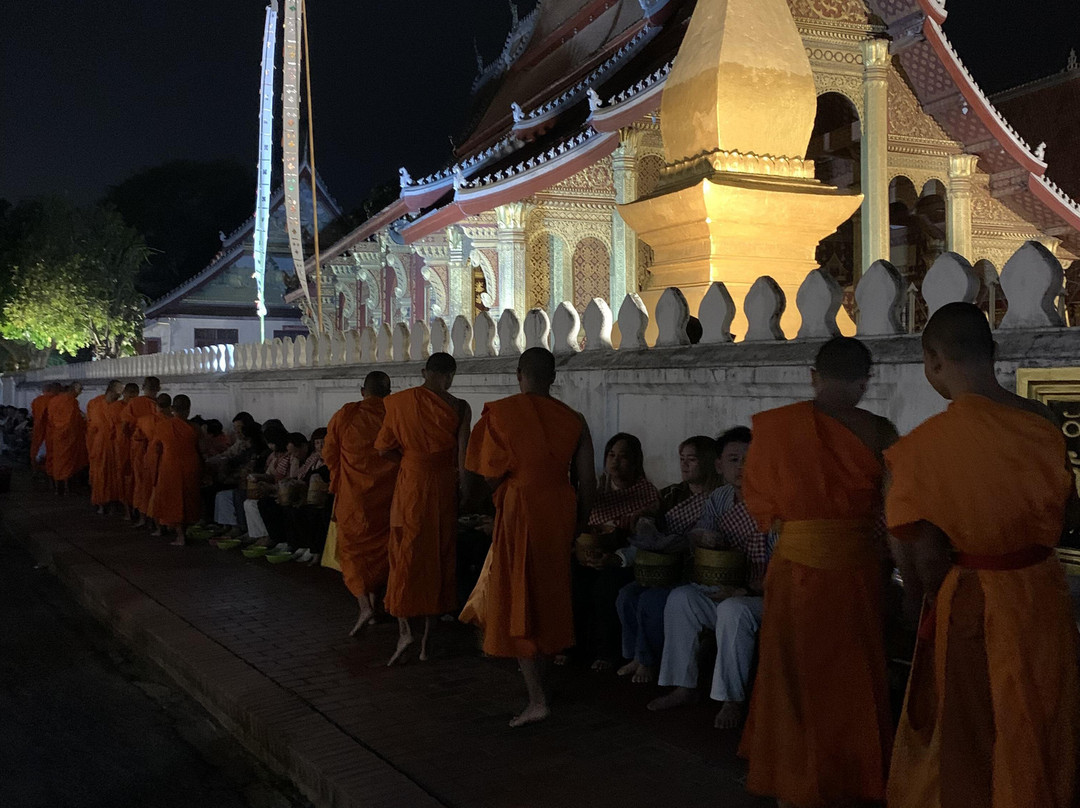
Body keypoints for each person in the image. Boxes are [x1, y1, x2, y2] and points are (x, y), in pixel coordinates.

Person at [886, 302, 1080, 808]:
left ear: (933, 361)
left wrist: (925, 600)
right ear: (993, 352)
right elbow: (1069, 515)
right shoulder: (1044, 424)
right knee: (1041, 712)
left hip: (974, 600)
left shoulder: (924, 446)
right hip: (1042, 592)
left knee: (976, 726)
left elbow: (925, 552)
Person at [738, 336, 897, 808]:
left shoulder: (776, 429)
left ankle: (793, 781)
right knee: (850, 679)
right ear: (865, 382)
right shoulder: (880, 432)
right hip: (856, 573)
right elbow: (897, 511)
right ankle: (851, 776)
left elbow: (760, 505)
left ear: (813, 376)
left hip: (794, 570)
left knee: (793, 677)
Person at [461, 348, 596, 726]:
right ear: (553, 377)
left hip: (520, 511)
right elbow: (587, 481)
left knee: (520, 598)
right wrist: (579, 525)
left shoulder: (501, 414)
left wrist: (505, 492)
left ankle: (537, 699)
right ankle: (543, 687)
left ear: (519, 374)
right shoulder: (574, 419)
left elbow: (487, 476)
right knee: (550, 596)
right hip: (559, 511)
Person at [647, 427, 776, 730]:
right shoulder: (719, 498)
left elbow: (784, 563)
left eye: (750, 459)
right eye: (733, 459)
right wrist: (704, 538)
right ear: (719, 465)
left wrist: (744, 590)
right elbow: (699, 535)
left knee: (733, 610)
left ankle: (731, 699)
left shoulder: (773, 502)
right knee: (681, 598)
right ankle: (684, 686)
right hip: (724, 586)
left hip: (766, 595)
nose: (742, 466)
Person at [375, 352, 471, 665]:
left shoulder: (399, 403)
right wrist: (465, 491)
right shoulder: (460, 407)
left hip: (411, 486)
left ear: (423, 372)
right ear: (451, 375)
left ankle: (405, 631)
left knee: (404, 553)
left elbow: (383, 448)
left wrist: (410, 461)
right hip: (442, 487)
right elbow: (463, 459)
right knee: (438, 557)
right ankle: (427, 643)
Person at [615, 435, 720, 685]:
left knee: (650, 601)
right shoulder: (674, 493)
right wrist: (643, 519)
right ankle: (637, 655)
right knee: (626, 596)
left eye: (691, 460)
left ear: (708, 462)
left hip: (689, 572)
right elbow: (652, 515)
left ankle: (649, 660)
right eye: (681, 459)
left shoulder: (718, 497)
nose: (684, 465)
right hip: (661, 568)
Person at [567, 432, 659, 671]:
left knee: (605, 588)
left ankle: (608, 652)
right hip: (590, 554)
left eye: (623, 457)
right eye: (611, 455)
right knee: (572, 579)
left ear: (636, 462)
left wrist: (612, 556)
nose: (615, 462)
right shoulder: (597, 490)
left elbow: (645, 538)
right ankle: (572, 646)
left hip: (624, 559)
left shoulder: (647, 494)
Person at [323, 371, 400, 635]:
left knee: (353, 552)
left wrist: (339, 479)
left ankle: (365, 606)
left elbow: (329, 453)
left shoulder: (346, 415)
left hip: (353, 497)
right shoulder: (394, 414)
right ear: (388, 392)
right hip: (388, 495)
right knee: (383, 550)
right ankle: (376, 606)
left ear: (362, 391)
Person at [147, 394, 203, 546]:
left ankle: (180, 535)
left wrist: (153, 469)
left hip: (170, 466)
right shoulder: (195, 428)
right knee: (188, 499)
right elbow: (201, 449)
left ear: (172, 409)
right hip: (191, 465)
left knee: (173, 499)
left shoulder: (162, 426)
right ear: (188, 409)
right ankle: (185, 532)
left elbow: (155, 450)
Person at [124, 377, 162, 525]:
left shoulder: (135, 403)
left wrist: (133, 439)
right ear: (159, 388)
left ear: (143, 387)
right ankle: (155, 519)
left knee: (140, 483)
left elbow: (125, 426)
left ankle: (142, 517)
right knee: (153, 482)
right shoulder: (161, 405)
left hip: (139, 448)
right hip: (155, 450)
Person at [44, 383, 89, 494]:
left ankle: (56, 487)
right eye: (79, 390)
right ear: (74, 389)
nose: (79, 393)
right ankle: (65, 487)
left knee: (57, 460)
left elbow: (51, 418)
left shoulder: (54, 400)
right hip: (69, 436)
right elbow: (74, 420)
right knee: (67, 461)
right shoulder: (72, 402)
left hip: (56, 434)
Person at [87, 380, 123, 513]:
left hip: (115, 445)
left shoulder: (119, 407)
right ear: (110, 391)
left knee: (114, 474)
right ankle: (101, 502)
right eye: (118, 391)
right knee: (100, 474)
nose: (120, 395)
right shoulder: (95, 405)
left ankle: (113, 500)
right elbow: (91, 427)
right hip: (100, 445)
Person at [114, 383, 141, 517]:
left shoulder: (138, 406)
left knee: (136, 477)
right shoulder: (116, 407)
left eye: (134, 394)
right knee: (124, 476)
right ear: (124, 393)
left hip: (136, 446)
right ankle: (127, 508)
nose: (131, 397)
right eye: (129, 393)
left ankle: (135, 507)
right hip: (123, 445)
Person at [29, 382, 60, 472]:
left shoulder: (36, 400)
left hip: (38, 428)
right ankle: (50, 470)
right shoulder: (55, 400)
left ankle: (35, 467)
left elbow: (34, 414)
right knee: (50, 450)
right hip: (51, 429)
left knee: (36, 447)